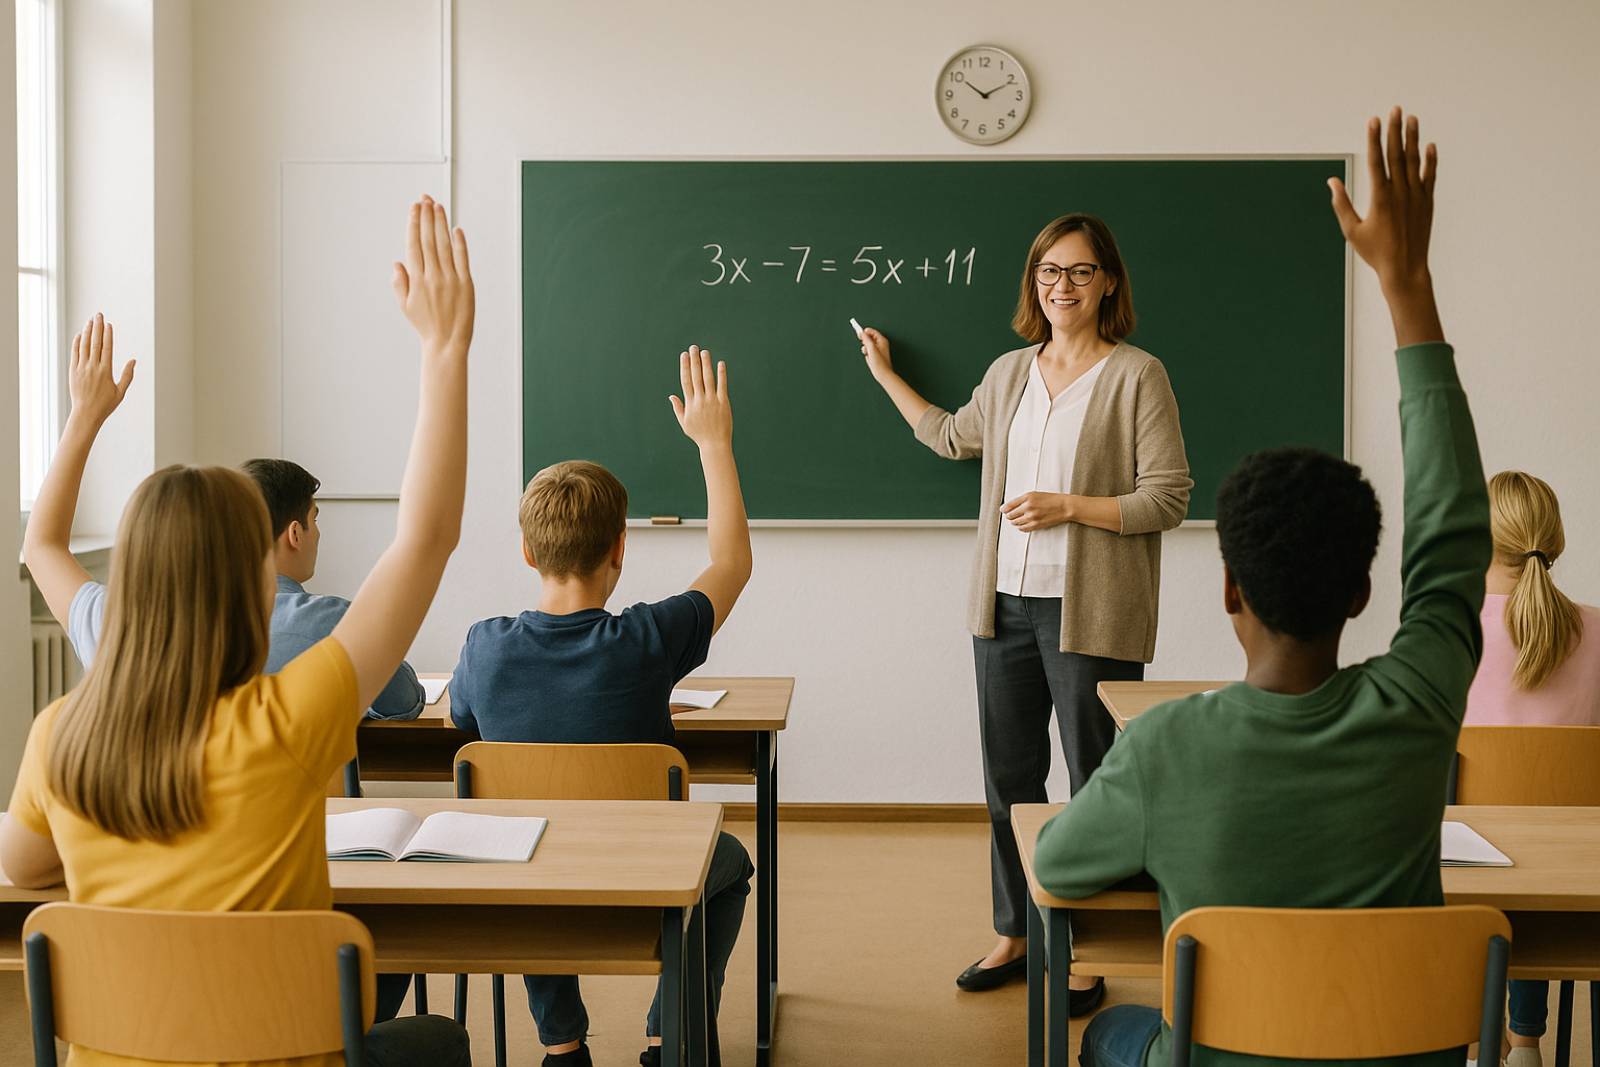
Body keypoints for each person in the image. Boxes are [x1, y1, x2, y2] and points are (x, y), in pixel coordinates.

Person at [1035, 108, 1489, 1067]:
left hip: (1217, 1055)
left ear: (1230, 588)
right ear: (1364, 590)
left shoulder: (1164, 747)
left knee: (1114, 1032)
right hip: (1403, 1051)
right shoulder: (1418, 709)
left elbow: (1058, 864)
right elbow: (1454, 543)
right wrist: (1408, 290)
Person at [0, 194, 476, 1067]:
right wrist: (444, 350)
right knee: (438, 1042)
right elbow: (427, 539)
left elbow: (26, 868)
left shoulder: (58, 739)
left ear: (133, 578)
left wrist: (83, 418)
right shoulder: (289, 722)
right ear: (246, 582)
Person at [859, 214, 1191, 1001]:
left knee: (1097, 779)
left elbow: (1169, 496)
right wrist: (883, 374)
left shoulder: (1137, 374)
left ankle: (1088, 943)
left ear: (1108, 280)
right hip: (1003, 609)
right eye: (1048, 271)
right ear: (1033, 281)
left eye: (1078, 272)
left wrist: (1071, 506)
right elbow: (947, 435)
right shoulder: (1009, 372)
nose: (1061, 286)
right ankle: (1015, 930)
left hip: (1092, 612)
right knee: (1009, 780)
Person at [450, 347, 754, 1067]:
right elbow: (732, 562)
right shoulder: (648, 638)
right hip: (644, 877)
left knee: (528, 836)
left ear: (527, 551)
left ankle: (561, 1043)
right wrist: (714, 444)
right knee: (731, 862)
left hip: (526, 887)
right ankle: (667, 1029)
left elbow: (459, 724)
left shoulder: (483, 647)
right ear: (621, 548)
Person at [27, 449, 424, 722]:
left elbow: (41, 546)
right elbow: (404, 701)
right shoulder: (325, 627)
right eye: (314, 519)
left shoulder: (108, 622)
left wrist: (84, 414)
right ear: (294, 534)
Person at [1465, 470, 1600, 1067]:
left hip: (1469, 872)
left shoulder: (1446, 634)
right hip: (1578, 877)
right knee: (1540, 840)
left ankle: (1475, 1033)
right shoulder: (1596, 629)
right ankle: (1527, 1043)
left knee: (1492, 840)